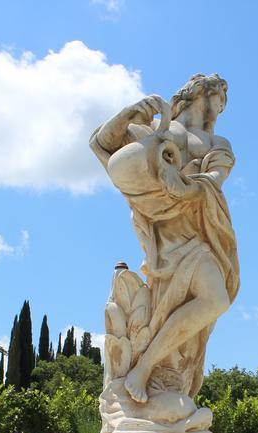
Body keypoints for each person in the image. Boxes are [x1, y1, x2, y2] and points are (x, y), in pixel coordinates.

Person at [89, 74, 239, 404]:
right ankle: (144, 372)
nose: (222, 107)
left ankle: (144, 368)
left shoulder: (218, 144)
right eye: (221, 98)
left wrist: (185, 187)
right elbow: (100, 144)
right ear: (207, 93)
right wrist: (131, 111)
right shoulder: (153, 127)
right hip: (161, 229)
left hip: (196, 231)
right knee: (210, 300)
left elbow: (214, 180)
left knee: (215, 300)